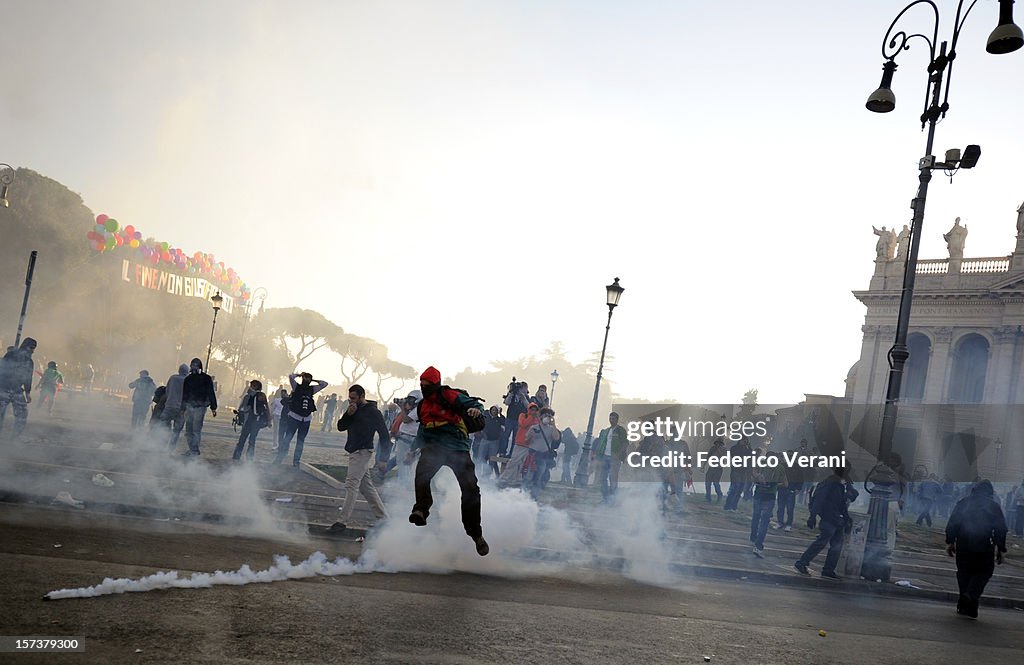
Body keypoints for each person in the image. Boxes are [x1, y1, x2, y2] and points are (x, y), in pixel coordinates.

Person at [408, 366, 489, 556]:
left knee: (470, 489)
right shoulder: (422, 406)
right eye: (421, 384)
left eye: (427, 384)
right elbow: (422, 430)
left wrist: (475, 410)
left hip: (456, 448)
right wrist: (412, 450)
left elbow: (475, 405)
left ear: (435, 384)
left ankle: (476, 534)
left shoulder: (449, 395)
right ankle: (421, 510)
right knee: (421, 477)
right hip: (433, 448)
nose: (424, 387)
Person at [945, 480, 1008, 618]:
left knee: (964, 573)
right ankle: (971, 596)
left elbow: (953, 523)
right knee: (983, 572)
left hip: (963, 544)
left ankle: (965, 605)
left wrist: (950, 541)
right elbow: (1000, 529)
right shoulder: (993, 506)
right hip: (984, 545)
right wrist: (1001, 548)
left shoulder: (963, 502)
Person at [795, 466, 854, 579]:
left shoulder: (841, 485)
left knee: (836, 546)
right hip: (829, 518)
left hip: (838, 519)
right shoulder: (829, 483)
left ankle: (828, 570)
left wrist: (849, 486)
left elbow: (850, 497)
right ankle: (802, 563)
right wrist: (812, 516)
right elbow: (818, 500)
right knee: (821, 542)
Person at [275, 372, 328, 467]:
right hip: (294, 417)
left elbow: (324, 384)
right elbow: (291, 377)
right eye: (305, 378)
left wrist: (313, 380)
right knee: (287, 439)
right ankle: (279, 459)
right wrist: (299, 375)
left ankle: (296, 462)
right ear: (302, 378)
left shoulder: (312, 389)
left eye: (309, 379)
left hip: (306, 419)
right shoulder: (296, 387)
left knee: (300, 442)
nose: (307, 380)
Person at [750, 452, 786, 557]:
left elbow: (753, 475)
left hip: (759, 493)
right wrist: (774, 485)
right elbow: (785, 483)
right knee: (765, 521)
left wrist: (758, 478)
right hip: (770, 496)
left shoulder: (761, 462)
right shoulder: (780, 467)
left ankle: (753, 537)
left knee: (756, 516)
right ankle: (758, 546)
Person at [0, 338, 37, 439]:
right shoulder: (10, 355)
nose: (33, 351)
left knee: (22, 416)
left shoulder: (28, 361)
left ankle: (14, 437)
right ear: (26, 346)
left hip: (16, 390)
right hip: (3, 388)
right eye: (31, 348)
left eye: (34, 348)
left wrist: (28, 393)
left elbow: (28, 378)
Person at [181, 358, 217, 456]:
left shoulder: (206, 378)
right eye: (192, 365)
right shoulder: (188, 379)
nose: (194, 367)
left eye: (196, 365)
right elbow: (184, 395)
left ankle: (194, 450)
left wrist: (213, 407)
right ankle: (192, 449)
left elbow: (211, 392)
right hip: (189, 407)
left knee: (196, 430)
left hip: (200, 407)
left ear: (200, 366)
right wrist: (182, 408)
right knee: (188, 430)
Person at [523, 407, 561, 499]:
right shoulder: (534, 428)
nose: (547, 417)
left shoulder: (551, 429)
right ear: (541, 416)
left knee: (538, 478)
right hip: (533, 455)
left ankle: (534, 497)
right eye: (546, 415)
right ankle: (523, 495)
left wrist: (554, 424)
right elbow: (526, 440)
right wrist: (531, 437)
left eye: (549, 416)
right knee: (528, 477)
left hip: (543, 457)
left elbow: (556, 438)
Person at [592, 411, 628, 503]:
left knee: (613, 479)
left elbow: (625, 444)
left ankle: (613, 499)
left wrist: (618, 454)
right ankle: (606, 498)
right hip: (605, 457)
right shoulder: (607, 431)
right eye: (610, 418)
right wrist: (597, 455)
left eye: (613, 419)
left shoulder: (621, 430)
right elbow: (602, 444)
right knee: (602, 478)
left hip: (614, 459)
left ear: (617, 420)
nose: (611, 420)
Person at [232, 380, 271, 461]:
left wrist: (241, 414)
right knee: (251, 440)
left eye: (252, 385)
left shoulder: (251, 396)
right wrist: (268, 420)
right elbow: (267, 408)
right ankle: (248, 458)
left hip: (251, 420)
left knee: (244, 439)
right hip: (256, 421)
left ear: (256, 386)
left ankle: (237, 457)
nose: (250, 387)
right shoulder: (261, 395)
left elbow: (244, 408)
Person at [163, 364, 189, 451]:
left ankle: (162, 445)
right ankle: (171, 448)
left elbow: (167, 391)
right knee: (177, 430)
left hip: (169, 406)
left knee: (165, 427)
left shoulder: (173, 378)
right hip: (181, 409)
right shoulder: (188, 380)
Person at [477, 405, 504, 480]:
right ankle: (478, 474)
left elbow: (504, 422)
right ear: (491, 410)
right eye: (493, 410)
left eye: (496, 410)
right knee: (481, 457)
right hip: (485, 440)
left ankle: (487, 477)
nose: (494, 411)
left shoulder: (499, 419)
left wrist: (501, 414)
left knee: (492, 459)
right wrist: (483, 433)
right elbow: (481, 425)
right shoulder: (486, 417)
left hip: (494, 442)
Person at [705, 439, 726, 503]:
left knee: (716, 483)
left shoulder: (724, 449)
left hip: (718, 468)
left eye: (719, 443)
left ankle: (720, 495)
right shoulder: (712, 448)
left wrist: (718, 450)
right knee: (707, 483)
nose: (717, 444)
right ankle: (708, 498)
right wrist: (703, 465)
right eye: (717, 443)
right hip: (711, 467)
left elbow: (723, 458)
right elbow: (708, 456)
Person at [270, 387, 288, 451]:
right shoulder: (277, 400)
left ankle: (279, 445)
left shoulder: (287, 400)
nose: (282, 395)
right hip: (277, 416)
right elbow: (272, 408)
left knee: (280, 432)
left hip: (283, 418)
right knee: (276, 431)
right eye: (282, 393)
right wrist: (270, 416)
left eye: (283, 393)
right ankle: (276, 445)